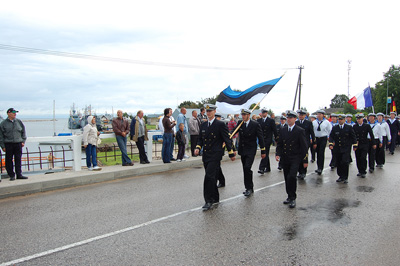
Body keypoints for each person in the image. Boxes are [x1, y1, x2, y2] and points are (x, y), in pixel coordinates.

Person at [194, 104, 235, 211]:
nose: (208, 113)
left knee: (209, 177)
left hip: (216, 154)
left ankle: (209, 200)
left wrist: (231, 152)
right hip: (206, 155)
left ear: (214, 111)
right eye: (207, 111)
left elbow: (227, 139)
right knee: (213, 176)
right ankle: (216, 197)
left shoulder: (220, 124)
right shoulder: (203, 125)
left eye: (210, 111)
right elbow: (200, 139)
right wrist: (198, 147)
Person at [275, 111, 308, 208]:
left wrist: (305, 160)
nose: (288, 119)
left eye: (291, 118)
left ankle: (293, 197)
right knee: (286, 177)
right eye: (287, 118)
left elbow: (304, 147)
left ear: (295, 119)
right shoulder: (283, 130)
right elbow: (280, 143)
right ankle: (289, 196)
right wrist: (278, 154)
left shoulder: (299, 130)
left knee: (292, 177)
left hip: (295, 158)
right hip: (285, 157)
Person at [232, 108, 266, 197]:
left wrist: (263, 150)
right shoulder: (240, 123)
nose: (243, 116)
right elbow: (234, 131)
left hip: (251, 149)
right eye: (242, 115)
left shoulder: (255, 124)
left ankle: (250, 188)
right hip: (243, 149)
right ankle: (248, 187)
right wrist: (228, 136)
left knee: (247, 167)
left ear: (249, 115)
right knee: (245, 169)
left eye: (244, 115)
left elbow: (260, 137)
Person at [0, 108, 28, 181]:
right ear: (8, 113)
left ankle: (19, 174)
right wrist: (2, 146)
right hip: (8, 144)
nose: (14, 114)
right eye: (13, 113)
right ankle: (11, 175)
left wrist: (23, 141)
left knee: (18, 159)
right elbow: (1, 136)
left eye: (15, 113)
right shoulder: (3, 124)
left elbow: (23, 131)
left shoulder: (18, 122)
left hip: (18, 143)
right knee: (9, 160)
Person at [328, 114, 357, 184]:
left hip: (346, 148)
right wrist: (331, 143)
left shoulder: (348, 127)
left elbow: (353, 136)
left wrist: (355, 145)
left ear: (344, 120)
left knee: (345, 162)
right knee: (338, 162)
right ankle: (340, 176)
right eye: (339, 119)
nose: (340, 121)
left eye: (341, 119)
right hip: (337, 148)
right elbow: (331, 136)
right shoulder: (335, 128)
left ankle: (345, 177)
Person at [295, 109, 316, 179]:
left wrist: (314, 142)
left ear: (305, 115)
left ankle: (303, 172)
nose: (300, 116)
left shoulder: (308, 123)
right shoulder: (296, 123)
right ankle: (299, 171)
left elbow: (312, 133)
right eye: (299, 115)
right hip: (297, 143)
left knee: (304, 156)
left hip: (305, 142)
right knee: (298, 157)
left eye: (302, 115)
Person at [353, 113, 375, 178]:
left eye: (359, 119)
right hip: (357, 144)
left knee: (363, 157)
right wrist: (354, 143)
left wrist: (373, 143)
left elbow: (371, 135)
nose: (358, 120)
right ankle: (359, 170)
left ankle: (363, 171)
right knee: (358, 157)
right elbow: (353, 135)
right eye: (357, 119)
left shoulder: (367, 126)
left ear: (362, 119)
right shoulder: (354, 126)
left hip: (365, 143)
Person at [257, 108, 278, 174]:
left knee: (265, 152)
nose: (264, 114)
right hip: (261, 139)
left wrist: (276, 138)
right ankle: (268, 168)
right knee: (266, 153)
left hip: (268, 139)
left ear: (267, 113)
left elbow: (274, 130)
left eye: (265, 112)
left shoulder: (271, 120)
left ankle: (262, 168)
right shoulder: (259, 120)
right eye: (263, 113)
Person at [312, 110, 332, 175]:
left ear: (323, 115)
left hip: (323, 138)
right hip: (316, 138)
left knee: (321, 152)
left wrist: (330, 139)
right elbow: (312, 131)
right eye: (318, 114)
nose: (318, 115)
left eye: (320, 114)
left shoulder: (326, 122)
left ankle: (320, 168)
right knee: (317, 152)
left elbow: (330, 130)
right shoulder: (314, 122)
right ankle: (318, 167)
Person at [215, 113, 226, 187]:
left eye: (217, 117)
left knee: (217, 166)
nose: (216, 118)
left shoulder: (222, 125)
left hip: (219, 149)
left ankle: (221, 180)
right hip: (213, 150)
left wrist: (232, 150)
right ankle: (221, 180)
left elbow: (227, 138)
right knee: (216, 166)